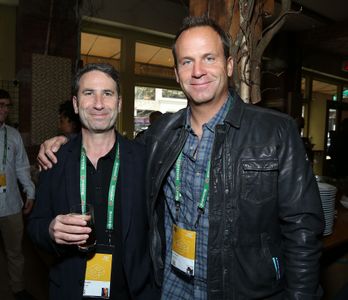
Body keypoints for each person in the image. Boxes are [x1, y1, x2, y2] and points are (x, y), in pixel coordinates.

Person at [37, 16, 324, 299]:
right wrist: (64, 141)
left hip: (240, 291)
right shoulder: (161, 135)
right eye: (187, 61)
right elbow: (103, 138)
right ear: (176, 73)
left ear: (229, 65)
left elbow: (304, 230)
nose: (198, 71)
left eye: (209, 58)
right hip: (172, 287)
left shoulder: (275, 131)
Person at [27, 64, 158, 300]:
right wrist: (49, 230)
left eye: (107, 94)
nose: (99, 104)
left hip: (133, 292)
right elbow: (34, 225)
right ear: (76, 104)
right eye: (89, 93)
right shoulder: (54, 159)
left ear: (118, 103)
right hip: (70, 290)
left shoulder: (144, 160)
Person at [0, 89, 36, 300]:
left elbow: (22, 166)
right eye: (1, 104)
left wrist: (30, 193)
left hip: (12, 204)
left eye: (7, 105)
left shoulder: (13, 135)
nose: (5, 109)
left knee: (15, 251)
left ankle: (18, 288)